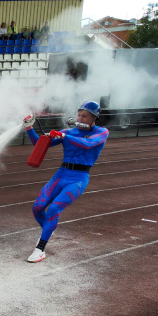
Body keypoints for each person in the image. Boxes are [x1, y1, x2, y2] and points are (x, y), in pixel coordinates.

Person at [22, 101, 109, 263]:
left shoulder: (102, 132)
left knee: (54, 208)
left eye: (85, 116)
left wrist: (64, 136)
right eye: (79, 115)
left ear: (94, 118)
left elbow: (88, 144)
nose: (80, 118)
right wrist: (29, 128)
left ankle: (40, 249)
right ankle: (48, 230)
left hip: (79, 177)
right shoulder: (69, 131)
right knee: (37, 207)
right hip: (61, 174)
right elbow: (39, 144)